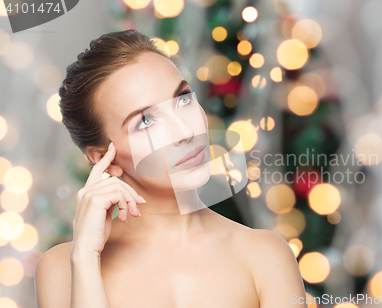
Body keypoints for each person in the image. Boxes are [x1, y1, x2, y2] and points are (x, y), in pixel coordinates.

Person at [34, 29, 307, 308]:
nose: (185, 131)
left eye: (183, 99)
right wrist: (86, 258)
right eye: (146, 121)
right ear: (105, 158)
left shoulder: (265, 255)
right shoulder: (62, 268)